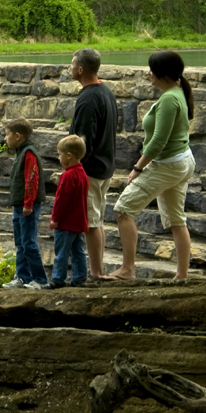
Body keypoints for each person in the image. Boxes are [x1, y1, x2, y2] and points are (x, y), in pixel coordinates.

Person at [114, 50, 196, 279]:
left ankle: (128, 269)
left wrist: (137, 168)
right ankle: (181, 276)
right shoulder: (177, 91)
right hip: (181, 161)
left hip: (169, 165)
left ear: (163, 74)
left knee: (122, 209)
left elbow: (159, 140)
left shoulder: (170, 98)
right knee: (177, 220)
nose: (148, 73)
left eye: (152, 70)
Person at [67, 47, 118, 279]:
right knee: (96, 220)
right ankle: (97, 269)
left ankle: (96, 273)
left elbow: (84, 139)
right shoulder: (105, 91)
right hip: (105, 166)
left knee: (91, 222)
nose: (69, 67)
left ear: (80, 69)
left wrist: (75, 166)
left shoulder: (87, 99)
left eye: (71, 63)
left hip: (91, 170)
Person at [0, 118, 46, 289]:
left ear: (17, 136)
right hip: (19, 206)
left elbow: (31, 179)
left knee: (28, 243)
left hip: (27, 207)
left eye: (7, 134)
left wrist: (28, 203)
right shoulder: (21, 152)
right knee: (20, 242)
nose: (5, 138)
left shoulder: (28, 154)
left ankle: (40, 279)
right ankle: (23, 277)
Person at [48, 135, 89, 288]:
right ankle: (80, 277)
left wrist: (55, 219)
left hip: (66, 223)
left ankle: (58, 279)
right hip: (79, 221)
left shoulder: (68, 175)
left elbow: (61, 200)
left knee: (61, 252)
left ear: (69, 155)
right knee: (78, 250)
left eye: (60, 154)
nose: (59, 158)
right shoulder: (82, 173)